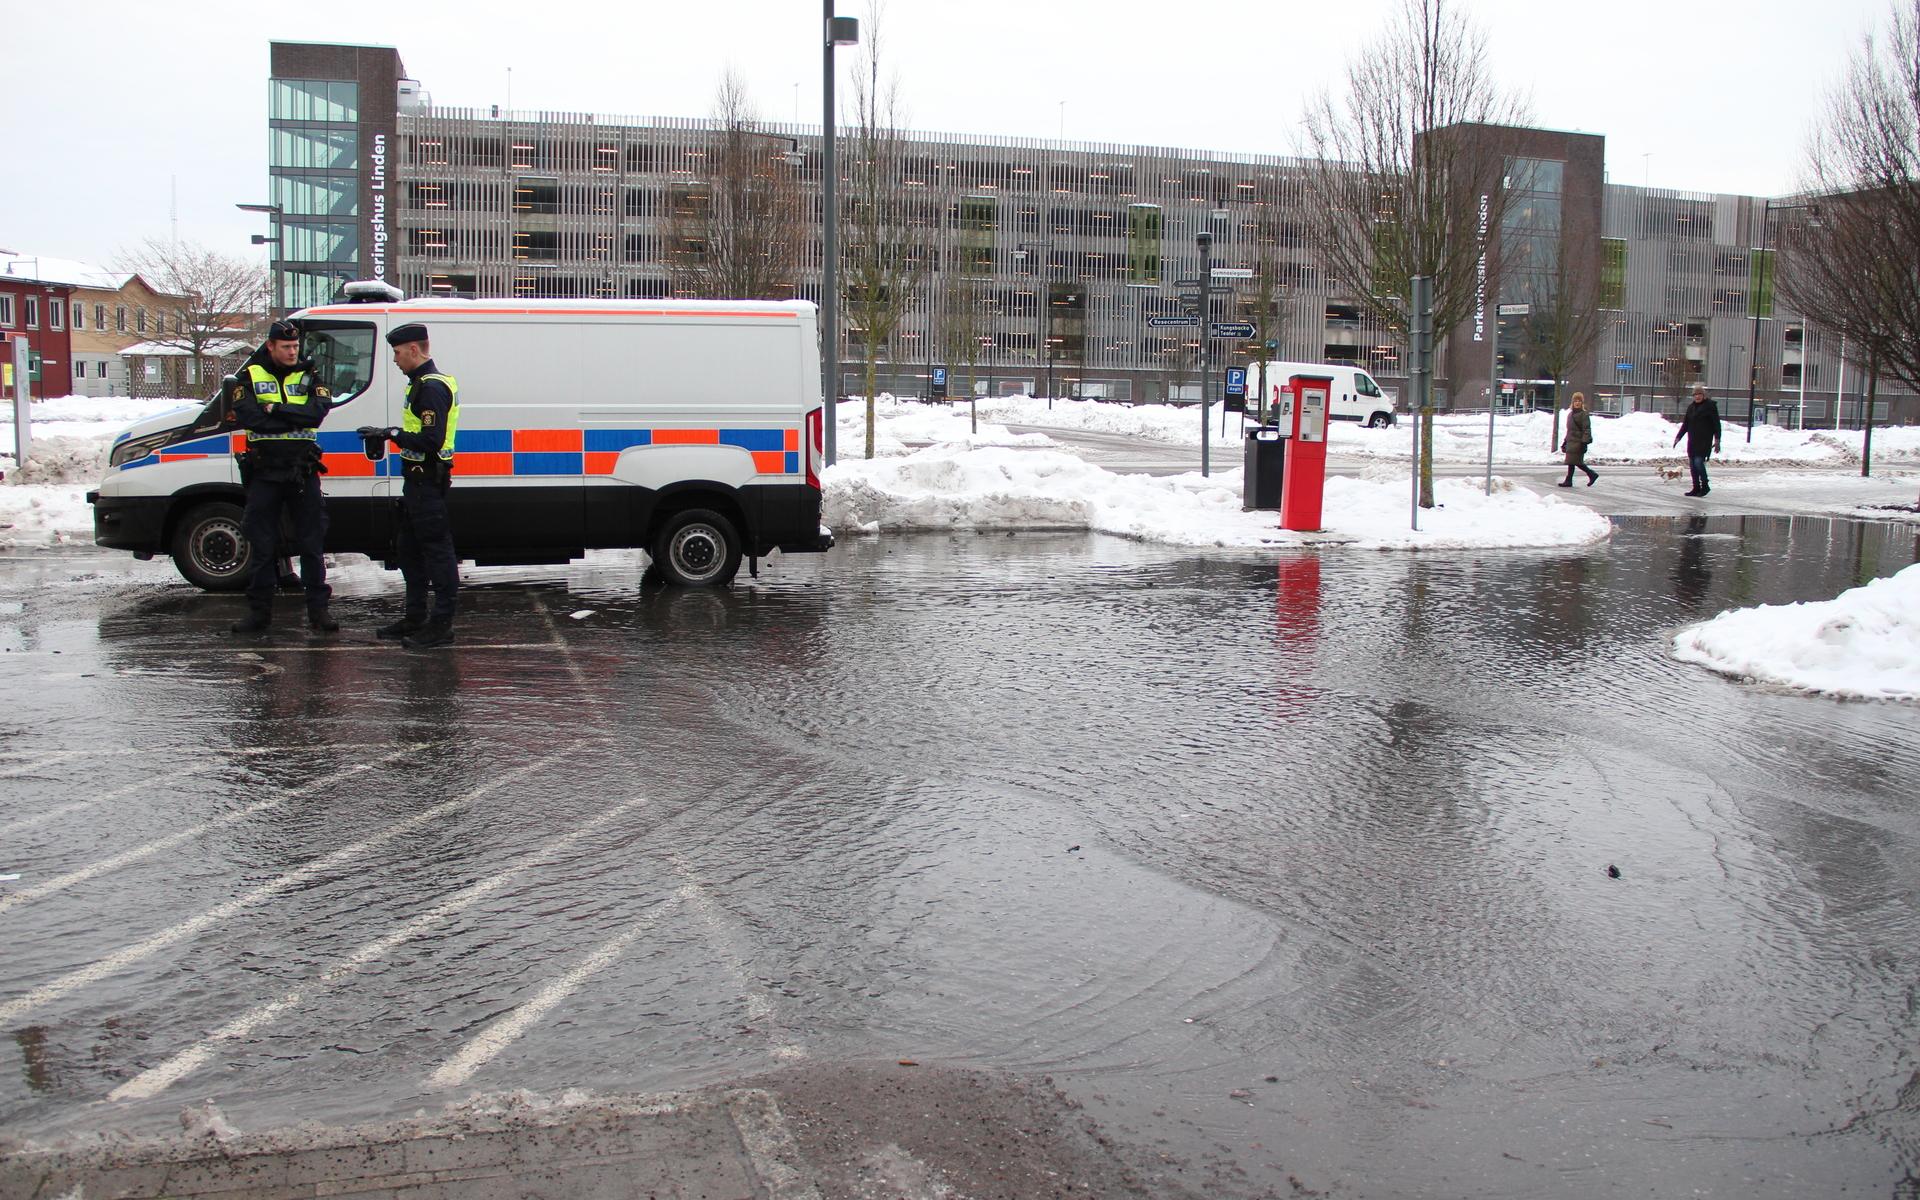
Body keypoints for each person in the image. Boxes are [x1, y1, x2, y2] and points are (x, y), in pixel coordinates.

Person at [227, 319, 335, 634]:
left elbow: (316, 414)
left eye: (295, 347)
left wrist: (274, 410)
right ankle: (259, 615)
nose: (292, 352)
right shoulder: (249, 376)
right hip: (265, 471)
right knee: (262, 544)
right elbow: (251, 419)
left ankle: (319, 614)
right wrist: (290, 419)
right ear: (271, 346)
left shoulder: (310, 374)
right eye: (285, 347)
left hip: (302, 470)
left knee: (312, 543)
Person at [369, 323, 459, 648]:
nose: (394, 360)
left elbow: (432, 440)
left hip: (427, 483)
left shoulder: (431, 387)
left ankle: (441, 624)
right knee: (408, 550)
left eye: (396, 353)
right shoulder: (419, 383)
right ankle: (415, 616)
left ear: (413, 350)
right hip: (416, 483)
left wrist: (391, 434)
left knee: (438, 553)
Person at [1672, 384, 1723, 497]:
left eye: (1699, 394)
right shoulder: (1691, 407)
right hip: (1692, 441)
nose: (1697, 397)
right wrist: (1678, 437)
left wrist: (1718, 439)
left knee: (1698, 463)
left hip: (1704, 441)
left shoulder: (1710, 406)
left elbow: (1716, 424)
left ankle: (1705, 486)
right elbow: (1686, 424)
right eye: (1695, 395)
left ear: (1703, 395)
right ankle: (1696, 488)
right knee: (1692, 465)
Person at [1558, 392, 1599, 487]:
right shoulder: (1570, 414)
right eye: (1575, 401)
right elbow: (1569, 430)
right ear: (1572, 402)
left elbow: (1586, 429)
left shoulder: (1583, 415)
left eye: (1579, 401)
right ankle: (1569, 480)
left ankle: (1591, 474)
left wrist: (1584, 442)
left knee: (1577, 462)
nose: (1577, 403)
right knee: (1571, 462)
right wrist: (1565, 442)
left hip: (1578, 443)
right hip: (1571, 442)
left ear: (1582, 403)